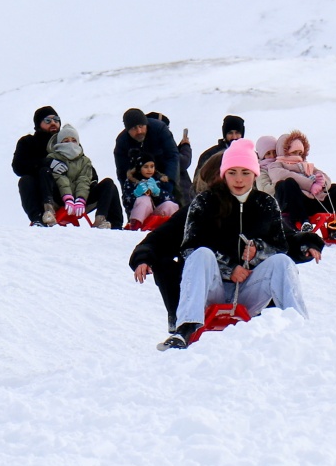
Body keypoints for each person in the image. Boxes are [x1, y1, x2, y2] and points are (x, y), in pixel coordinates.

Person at [163, 139, 320, 350]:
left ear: (255, 174)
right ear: (224, 173)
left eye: (245, 172)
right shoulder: (205, 202)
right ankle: (185, 329)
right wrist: (229, 269)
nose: (239, 179)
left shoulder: (265, 203)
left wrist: (257, 253)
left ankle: (298, 328)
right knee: (200, 255)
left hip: (249, 288)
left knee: (282, 262)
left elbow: (280, 246)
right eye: (232, 172)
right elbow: (188, 249)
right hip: (213, 287)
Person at [269, 130, 336, 231]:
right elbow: (284, 176)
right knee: (288, 183)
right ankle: (303, 220)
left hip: (318, 201)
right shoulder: (276, 165)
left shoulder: (306, 165)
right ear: (284, 151)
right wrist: (310, 185)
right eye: (294, 152)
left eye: (300, 153)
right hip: (299, 203)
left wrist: (321, 182)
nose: (298, 156)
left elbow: (326, 178)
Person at [45, 123, 122, 229]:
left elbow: (84, 180)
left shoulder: (84, 161)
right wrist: (68, 198)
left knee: (108, 184)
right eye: (66, 141)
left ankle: (101, 220)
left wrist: (81, 199)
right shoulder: (53, 159)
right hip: (60, 198)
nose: (70, 144)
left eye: (73, 140)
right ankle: (48, 211)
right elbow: (60, 179)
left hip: (81, 199)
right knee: (45, 174)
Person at [130, 211, 185, 330]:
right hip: (196, 283)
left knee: (204, 255)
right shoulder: (195, 211)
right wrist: (143, 259)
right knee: (162, 261)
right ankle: (178, 316)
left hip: (229, 280)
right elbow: (157, 240)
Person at [11, 106, 62, 225]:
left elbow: (82, 164)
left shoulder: (67, 141)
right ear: (39, 123)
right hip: (38, 192)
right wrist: (45, 163)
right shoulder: (28, 142)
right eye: (48, 120)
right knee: (25, 181)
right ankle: (37, 219)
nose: (53, 123)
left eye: (56, 119)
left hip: (63, 192)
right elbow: (18, 166)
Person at [113, 109, 179, 189]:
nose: (139, 131)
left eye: (141, 126)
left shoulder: (160, 129)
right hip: (140, 178)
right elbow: (122, 172)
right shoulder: (122, 142)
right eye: (134, 128)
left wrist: (169, 182)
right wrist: (128, 192)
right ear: (128, 130)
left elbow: (172, 155)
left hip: (165, 169)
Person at [124, 154, 179, 228]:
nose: (149, 170)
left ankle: (172, 227)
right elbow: (126, 202)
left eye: (152, 166)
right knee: (144, 200)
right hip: (140, 217)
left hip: (157, 215)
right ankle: (136, 227)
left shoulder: (160, 179)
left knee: (169, 205)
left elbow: (171, 198)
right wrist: (135, 194)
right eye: (146, 167)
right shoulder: (131, 181)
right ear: (139, 168)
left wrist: (159, 192)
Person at [193, 115, 247, 185]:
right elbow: (198, 183)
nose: (234, 137)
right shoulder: (210, 155)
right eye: (230, 133)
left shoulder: (250, 155)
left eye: (237, 133)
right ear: (224, 134)